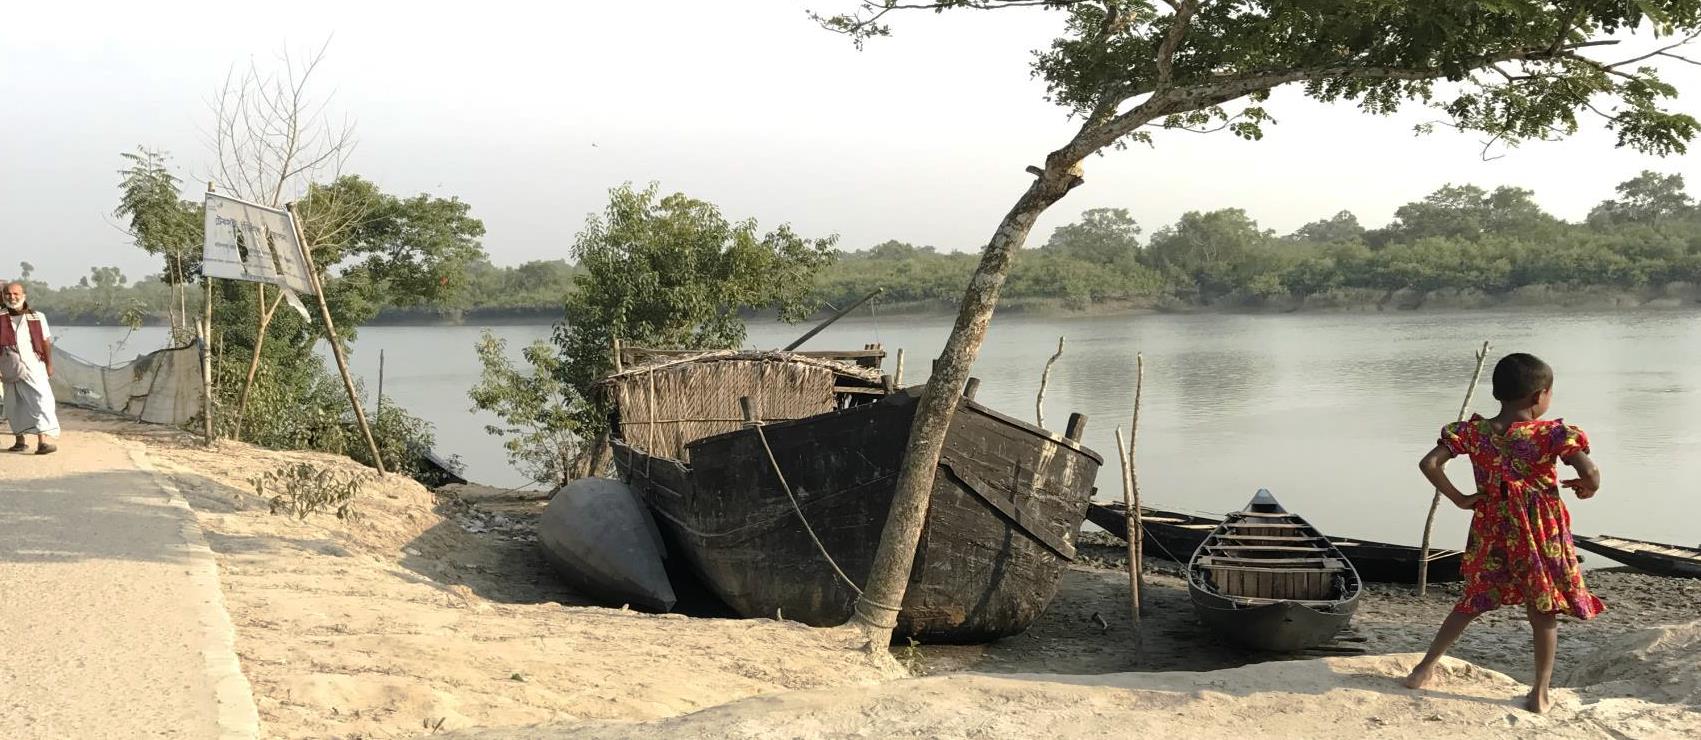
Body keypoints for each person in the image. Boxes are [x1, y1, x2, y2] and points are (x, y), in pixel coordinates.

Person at [1403, 352, 1602, 713]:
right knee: (1543, 609)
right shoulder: (1552, 434)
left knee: (1473, 599)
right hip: (1540, 531)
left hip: (1493, 526)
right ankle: (1540, 693)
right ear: (1538, 396)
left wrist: (1462, 499)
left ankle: (1423, 669)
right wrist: (1587, 487)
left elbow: (1429, 464)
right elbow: (1590, 472)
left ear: (1499, 393)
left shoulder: (1473, 433)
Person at [1, 281, 59, 453]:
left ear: (23, 295)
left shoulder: (37, 316)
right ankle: (20, 441)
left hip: (35, 366)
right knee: (14, 405)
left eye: (15, 294)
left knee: (42, 401)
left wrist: (49, 364)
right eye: (8, 294)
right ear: (3, 297)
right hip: (9, 367)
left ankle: (43, 442)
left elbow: (45, 342)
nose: (12, 297)